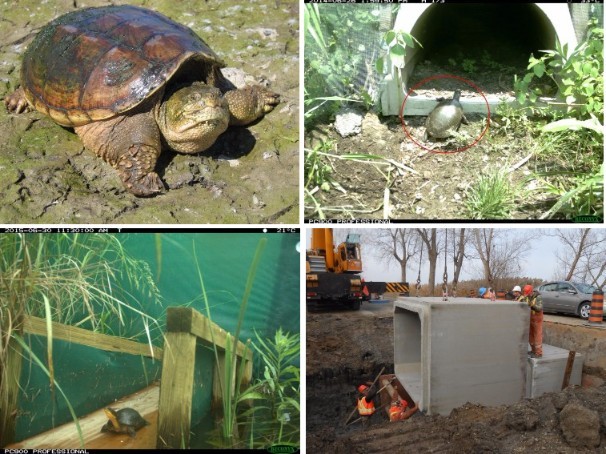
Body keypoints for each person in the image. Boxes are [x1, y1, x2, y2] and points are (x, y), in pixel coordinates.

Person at [517, 284, 543, 358]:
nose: (527, 295)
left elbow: (539, 308)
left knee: (537, 335)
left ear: (531, 292)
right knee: (530, 335)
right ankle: (533, 351)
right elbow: (523, 302)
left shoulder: (538, 297)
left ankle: (538, 353)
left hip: (537, 319)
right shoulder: (527, 296)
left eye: (527, 294)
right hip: (530, 318)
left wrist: (531, 305)